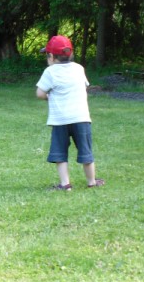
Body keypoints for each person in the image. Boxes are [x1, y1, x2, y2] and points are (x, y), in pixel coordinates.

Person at [36, 35, 105, 191]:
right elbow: (84, 86)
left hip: (60, 120)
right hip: (81, 118)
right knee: (86, 151)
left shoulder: (50, 72)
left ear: (51, 56)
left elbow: (40, 93)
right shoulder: (79, 68)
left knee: (60, 152)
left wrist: (49, 97)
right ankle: (91, 181)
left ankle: (65, 184)